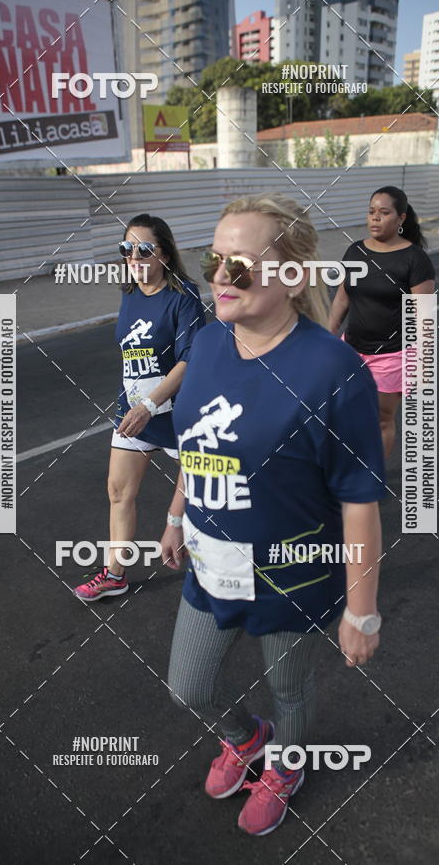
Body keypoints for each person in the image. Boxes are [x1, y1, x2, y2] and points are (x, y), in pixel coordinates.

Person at [160, 193, 386, 836]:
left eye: (240, 265)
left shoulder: (332, 371)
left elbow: (360, 496)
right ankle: (246, 737)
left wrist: (362, 608)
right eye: (213, 260)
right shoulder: (205, 346)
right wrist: (177, 513)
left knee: (290, 690)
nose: (219, 278)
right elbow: (195, 441)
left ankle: (286, 763)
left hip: (291, 568)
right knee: (189, 688)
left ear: (292, 276)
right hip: (211, 560)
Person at [73, 214, 205, 601]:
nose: (133, 256)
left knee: (207, 493)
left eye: (143, 249)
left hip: (176, 413)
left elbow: (189, 359)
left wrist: (150, 403)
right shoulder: (129, 294)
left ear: (163, 253)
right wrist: (136, 404)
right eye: (126, 249)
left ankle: (221, 567)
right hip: (132, 413)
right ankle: (115, 574)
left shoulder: (184, 295)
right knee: (118, 492)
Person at [329, 186, 436, 458]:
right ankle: (348, 468)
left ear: (400, 219)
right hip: (351, 349)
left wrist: (423, 361)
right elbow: (342, 299)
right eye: (371, 212)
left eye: (384, 213)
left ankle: (373, 479)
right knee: (341, 415)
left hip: (392, 355)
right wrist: (328, 338)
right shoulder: (355, 252)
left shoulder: (415, 260)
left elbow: (423, 317)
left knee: (381, 419)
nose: (375, 218)